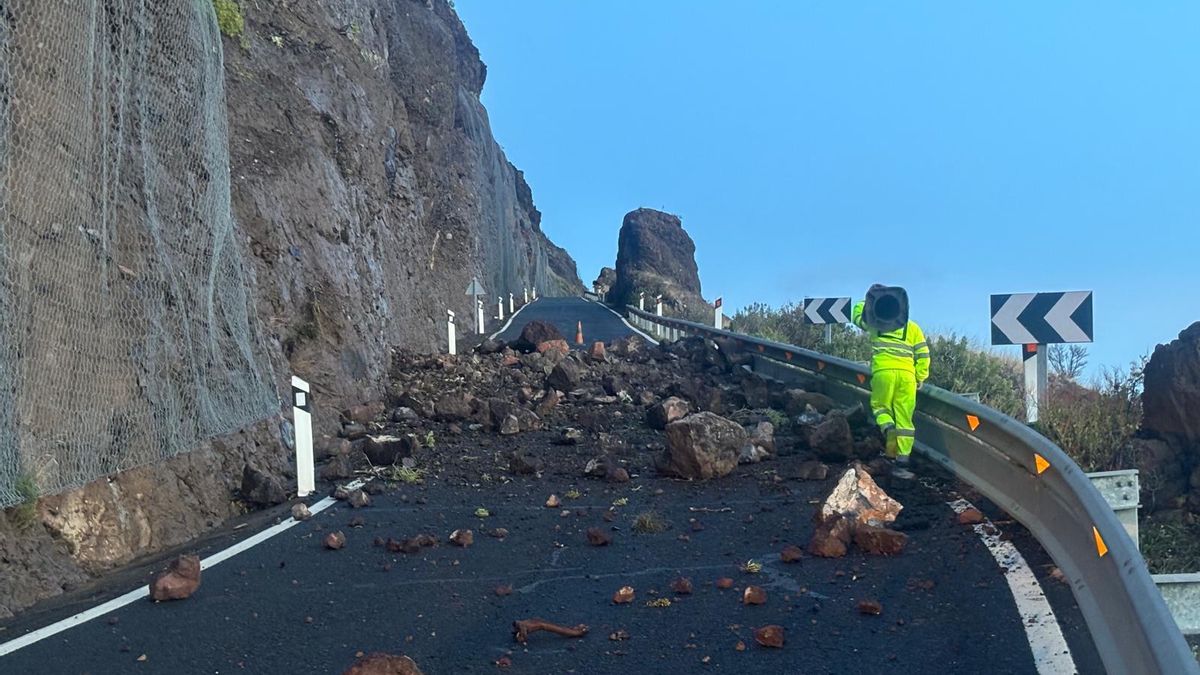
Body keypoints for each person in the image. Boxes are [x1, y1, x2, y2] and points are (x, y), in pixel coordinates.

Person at [851, 286, 930, 479]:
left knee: (880, 407)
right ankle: (903, 460)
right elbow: (924, 355)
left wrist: (870, 300)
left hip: (883, 373)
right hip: (907, 377)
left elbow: (855, 313)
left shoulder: (874, 325)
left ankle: (888, 428)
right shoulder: (912, 328)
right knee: (905, 418)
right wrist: (920, 376)